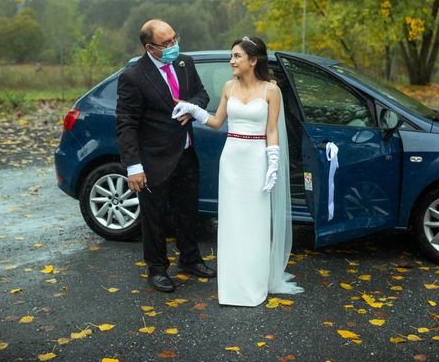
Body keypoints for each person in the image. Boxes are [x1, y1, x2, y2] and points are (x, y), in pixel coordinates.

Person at [172, 36, 304, 306]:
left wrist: (273, 164)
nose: (231, 61)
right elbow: (218, 121)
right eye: (232, 56)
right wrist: (193, 109)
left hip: (257, 160)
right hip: (231, 160)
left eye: (237, 56)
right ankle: (231, 288)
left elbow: (271, 130)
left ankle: (254, 285)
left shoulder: (271, 90)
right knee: (232, 223)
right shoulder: (228, 87)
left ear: (253, 60)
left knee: (254, 223)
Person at [116, 19, 216, 293]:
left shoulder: (185, 63)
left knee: (188, 213)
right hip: (152, 160)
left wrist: (190, 107)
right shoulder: (133, 77)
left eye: (175, 38)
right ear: (150, 47)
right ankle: (157, 268)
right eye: (167, 43)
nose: (174, 45)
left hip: (185, 153)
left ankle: (191, 259)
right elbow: (126, 123)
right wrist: (133, 166)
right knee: (155, 218)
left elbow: (201, 94)